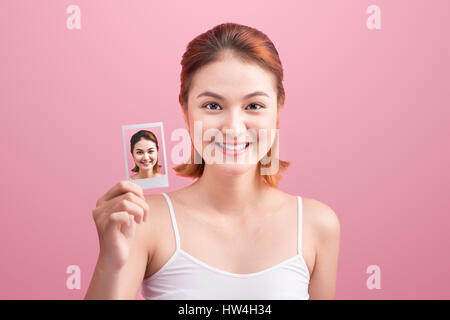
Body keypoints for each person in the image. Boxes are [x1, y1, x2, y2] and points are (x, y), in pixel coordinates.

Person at [85, 22, 340, 300]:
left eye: (253, 106)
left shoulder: (318, 225)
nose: (233, 128)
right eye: (213, 106)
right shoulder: (144, 220)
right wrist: (109, 264)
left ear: (278, 109)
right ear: (185, 111)